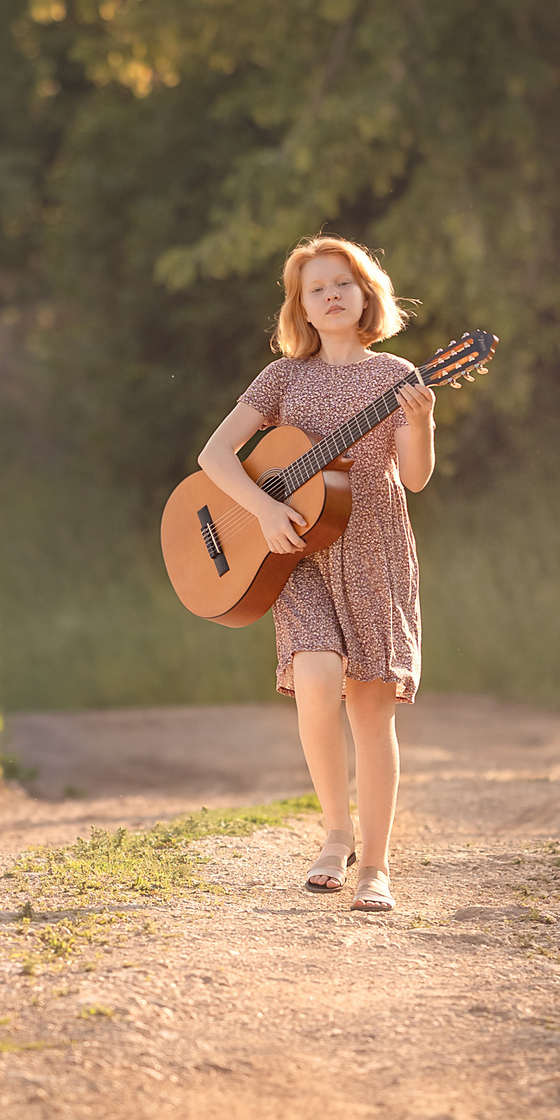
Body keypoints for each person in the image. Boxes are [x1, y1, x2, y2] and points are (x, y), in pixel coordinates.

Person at [196, 236, 435, 913]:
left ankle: (376, 869)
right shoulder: (283, 380)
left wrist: (423, 425)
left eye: (343, 284)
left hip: (375, 548)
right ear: (300, 306)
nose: (331, 295)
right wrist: (265, 510)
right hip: (294, 551)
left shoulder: (396, 374)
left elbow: (413, 479)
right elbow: (214, 456)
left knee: (369, 704)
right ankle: (336, 834)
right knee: (317, 673)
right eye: (316, 288)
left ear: (366, 296)